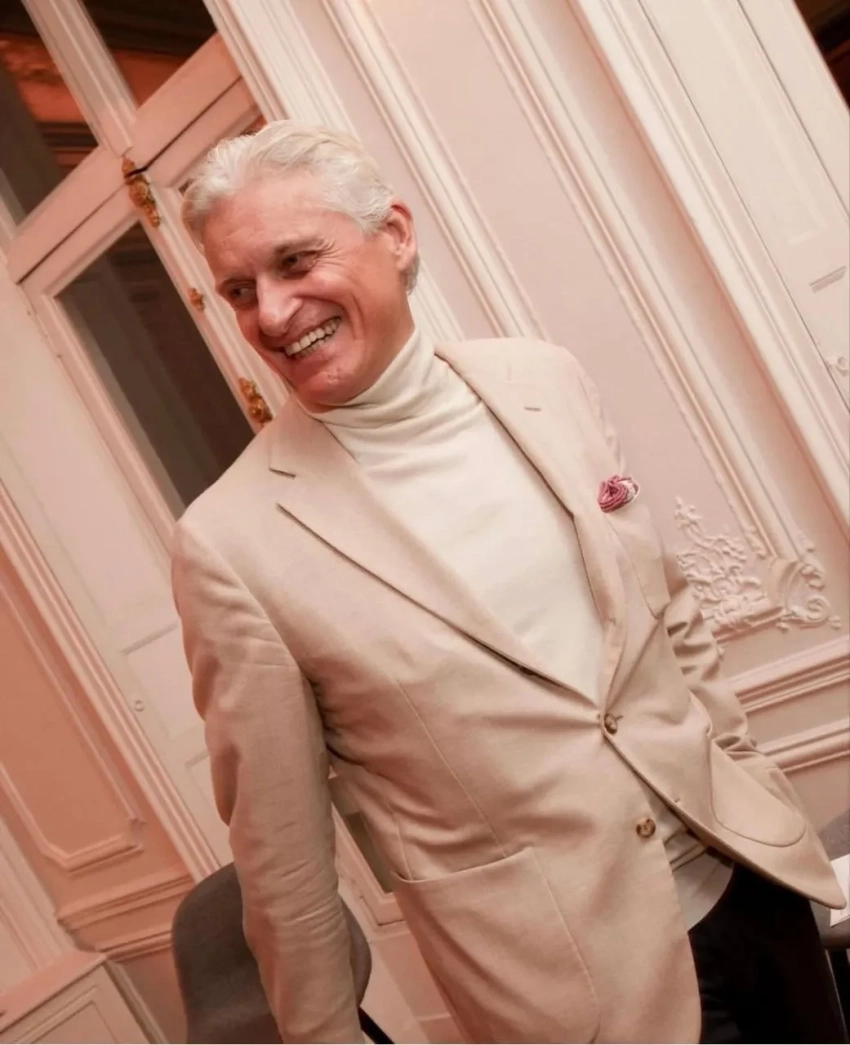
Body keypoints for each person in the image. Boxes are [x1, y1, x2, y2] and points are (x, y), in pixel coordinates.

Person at [172, 121, 845, 1044]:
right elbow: (283, 860)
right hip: (577, 997)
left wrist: (750, 784)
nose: (275, 313)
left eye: (296, 261)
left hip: (750, 886)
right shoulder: (229, 545)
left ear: (395, 233)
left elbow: (665, 614)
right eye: (240, 290)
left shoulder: (543, 379)